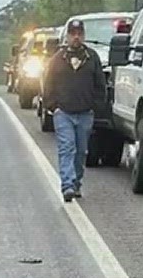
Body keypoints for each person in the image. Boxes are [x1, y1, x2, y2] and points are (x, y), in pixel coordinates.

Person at [45, 16, 108, 202]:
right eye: (73, 34)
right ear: (67, 37)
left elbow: (100, 85)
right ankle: (67, 185)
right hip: (63, 112)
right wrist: (53, 106)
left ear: (84, 36)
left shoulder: (92, 57)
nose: (76, 37)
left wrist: (96, 106)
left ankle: (77, 181)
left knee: (81, 151)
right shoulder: (57, 59)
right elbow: (48, 84)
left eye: (79, 33)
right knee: (67, 148)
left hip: (85, 113)